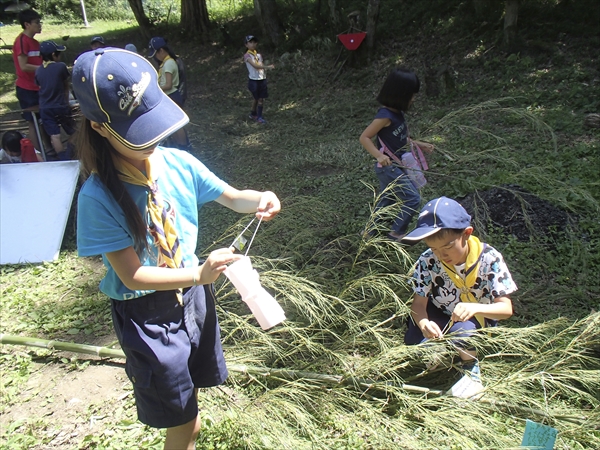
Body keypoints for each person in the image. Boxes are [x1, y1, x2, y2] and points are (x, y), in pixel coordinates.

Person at [72, 48, 281, 450]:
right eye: (138, 133)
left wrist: (260, 198)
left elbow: (233, 197)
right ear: (100, 128)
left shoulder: (178, 163)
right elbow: (132, 275)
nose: (153, 140)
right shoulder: (97, 198)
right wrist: (200, 274)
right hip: (148, 316)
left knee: (190, 410)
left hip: (193, 300)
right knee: (183, 421)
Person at [402, 197, 516, 377]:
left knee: (464, 335)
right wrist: (424, 324)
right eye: (434, 248)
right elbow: (418, 305)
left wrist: (473, 308)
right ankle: (443, 355)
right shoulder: (428, 260)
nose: (441, 255)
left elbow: (506, 309)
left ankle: (470, 367)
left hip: (476, 316)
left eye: (448, 246)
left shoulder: (489, 259)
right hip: (440, 312)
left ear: (466, 233)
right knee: (416, 345)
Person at [359, 67, 434, 241]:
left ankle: (369, 232)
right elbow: (364, 137)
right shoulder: (384, 117)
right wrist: (379, 155)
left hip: (396, 165)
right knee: (413, 199)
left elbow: (400, 137)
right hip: (388, 168)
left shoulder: (397, 113)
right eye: (411, 96)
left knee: (387, 200)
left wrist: (420, 144)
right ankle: (396, 234)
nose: (413, 99)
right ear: (400, 95)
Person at [35, 40, 75, 160]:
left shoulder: (38, 70)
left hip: (45, 107)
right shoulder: (61, 66)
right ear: (53, 55)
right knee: (74, 131)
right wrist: (67, 100)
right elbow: (65, 85)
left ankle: (62, 158)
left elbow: (40, 86)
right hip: (60, 105)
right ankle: (71, 151)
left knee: (54, 135)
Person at [148, 36, 190, 150]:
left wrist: (155, 88)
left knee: (177, 125)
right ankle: (180, 146)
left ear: (161, 50)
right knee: (172, 125)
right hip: (168, 96)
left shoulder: (169, 63)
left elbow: (168, 85)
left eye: (156, 54)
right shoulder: (165, 63)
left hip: (172, 96)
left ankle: (184, 146)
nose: (156, 57)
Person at [12, 9, 44, 153]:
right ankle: (38, 152)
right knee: (33, 121)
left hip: (38, 86)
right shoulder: (22, 41)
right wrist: (43, 69)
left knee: (43, 119)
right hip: (27, 88)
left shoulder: (35, 42)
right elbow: (23, 66)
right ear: (27, 24)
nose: (40, 25)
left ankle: (46, 148)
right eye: (36, 22)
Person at [243, 35, 274, 124]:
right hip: (253, 80)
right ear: (246, 45)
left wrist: (264, 71)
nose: (253, 44)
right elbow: (256, 66)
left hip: (261, 79)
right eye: (250, 42)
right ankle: (258, 117)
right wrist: (267, 67)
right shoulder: (247, 56)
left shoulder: (259, 55)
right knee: (257, 98)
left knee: (259, 98)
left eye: (254, 42)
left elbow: (260, 64)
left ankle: (255, 114)